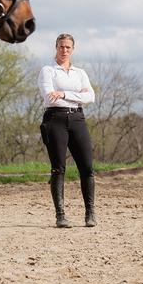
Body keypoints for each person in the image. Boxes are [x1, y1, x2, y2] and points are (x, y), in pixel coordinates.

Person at [37, 33, 97, 228]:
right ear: (56, 47)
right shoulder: (48, 71)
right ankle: (60, 215)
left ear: (73, 49)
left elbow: (90, 97)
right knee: (58, 168)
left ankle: (90, 213)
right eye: (61, 47)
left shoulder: (80, 73)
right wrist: (76, 95)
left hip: (78, 118)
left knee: (87, 167)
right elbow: (49, 97)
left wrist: (63, 93)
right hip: (55, 119)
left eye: (68, 47)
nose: (64, 50)